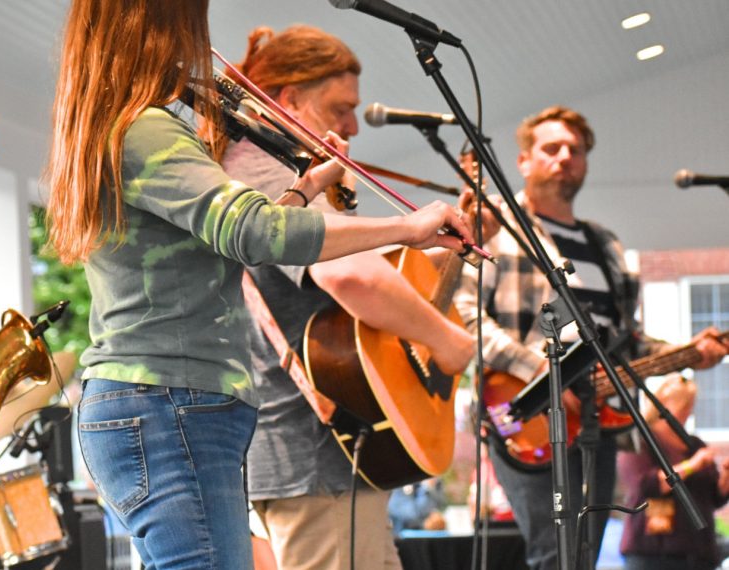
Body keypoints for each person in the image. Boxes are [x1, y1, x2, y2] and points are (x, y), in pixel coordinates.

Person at [45, 2, 475, 568]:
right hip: (169, 402)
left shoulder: (132, 127)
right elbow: (253, 231)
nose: (198, 45)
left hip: (168, 402)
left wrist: (303, 189)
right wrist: (408, 226)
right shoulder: (145, 128)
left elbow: (231, 242)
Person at [216, 26, 479, 570]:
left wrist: (451, 249)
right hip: (312, 450)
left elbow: (368, 276)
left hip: (327, 451)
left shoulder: (285, 170)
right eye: (341, 108)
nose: (353, 126)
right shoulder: (261, 169)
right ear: (288, 99)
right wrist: (444, 338)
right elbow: (351, 279)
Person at [454, 105, 729, 570]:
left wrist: (688, 353)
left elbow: (627, 339)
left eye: (575, 150)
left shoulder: (606, 244)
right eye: (551, 148)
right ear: (523, 160)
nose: (564, 157)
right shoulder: (499, 228)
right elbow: (463, 315)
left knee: (582, 555)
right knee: (556, 555)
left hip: (600, 422)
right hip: (526, 415)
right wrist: (539, 370)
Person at [619, 374, 729, 570]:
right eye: (684, 406)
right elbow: (646, 485)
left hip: (698, 552)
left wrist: (726, 476)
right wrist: (692, 465)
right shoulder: (640, 442)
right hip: (653, 552)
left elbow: (714, 497)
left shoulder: (694, 444)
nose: (687, 412)